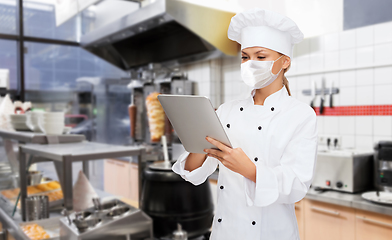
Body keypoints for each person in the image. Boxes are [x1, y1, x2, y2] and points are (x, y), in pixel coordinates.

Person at [172, 8, 317, 240]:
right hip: (225, 232)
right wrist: (196, 138)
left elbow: (297, 185)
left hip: (272, 233)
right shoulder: (227, 110)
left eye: (260, 57)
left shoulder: (300, 115)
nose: (251, 64)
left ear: (285, 62)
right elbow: (193, 173)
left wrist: (249, 169)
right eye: (245, 57)